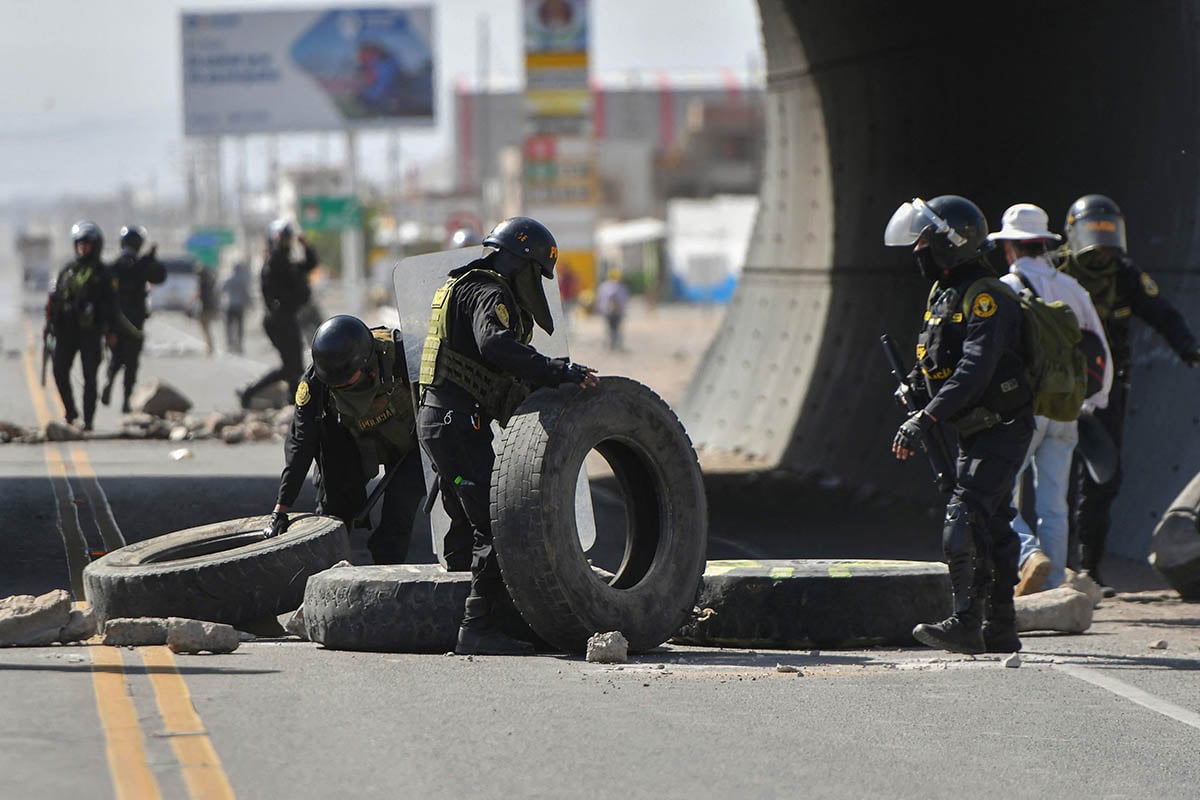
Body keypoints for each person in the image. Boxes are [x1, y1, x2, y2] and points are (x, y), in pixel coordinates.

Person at [417, 216, 598, 655]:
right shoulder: (489, 291)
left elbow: (484, 368)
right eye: (535, 273)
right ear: (521, 261)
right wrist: (558, 370)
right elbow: (494, 345)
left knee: (465, 524)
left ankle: (468, 617)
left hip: (445, 421)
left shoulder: (463, 285)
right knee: (496, 524)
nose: (534, 284)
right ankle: (476, 627)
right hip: (457, 426)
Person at [884, 195, 1035, 654]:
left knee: (963, 515)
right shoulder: (944, 293)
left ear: (952, 244)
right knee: (993, 522)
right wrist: (913, 387)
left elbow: (974, 370)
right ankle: (1002, 627)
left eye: (926, 242)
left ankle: (967, 622)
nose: (917, 252)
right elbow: (932, 356)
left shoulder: (988, 297)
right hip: (973, 427)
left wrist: (924, 419)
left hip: (1002, 424)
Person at [1058, 195, 1200, 595]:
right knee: (1047, 477)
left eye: (1108, 236)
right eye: (1093, 235)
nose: (1100, 247)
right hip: (1055, 389)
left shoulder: (1124, 275)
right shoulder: (1057, 272)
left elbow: (1162, 313)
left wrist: (1187, 348)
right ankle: (1038, 565)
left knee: (1103, 479)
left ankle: (1088, 568)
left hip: (1105, 390)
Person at [989, 204, 1112, 596]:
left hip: (1027, 408)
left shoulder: (1007, 287)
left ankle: (1029, 556)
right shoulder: (1073, 289)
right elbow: (1100, 350)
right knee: (1054, 503)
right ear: (1044, 244)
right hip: (1068, 409)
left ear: (1010, 247)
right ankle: (1056, 584)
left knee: (996, 494)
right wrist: (1094, 401)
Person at [262, 315, 426, 564]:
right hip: (353, 443)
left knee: (400, 510)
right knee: (334, 510)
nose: (339, 386)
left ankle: (387, 570)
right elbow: (301, 444)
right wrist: (281, 508)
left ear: (366, 363)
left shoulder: (403, 355)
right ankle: (328, 568)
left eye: (346, 380)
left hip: (407, 442)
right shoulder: (316, 383)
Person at [239, 220, 319, 408]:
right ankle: (251, 392)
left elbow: (310, 264)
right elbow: (283, 282)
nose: (287, 242)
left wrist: (305, 245)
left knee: (292, 367)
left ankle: (294, 403)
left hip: (287, 317)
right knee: (292, 367)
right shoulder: (275, 260)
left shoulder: (286, 260)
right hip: (279, 319)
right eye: (284, 238)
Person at [46, 221, 117, 431]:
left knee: (90, 378)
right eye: (80, 244)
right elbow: (57, 298)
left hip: (91, 332)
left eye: (88, 244)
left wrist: (111, 331)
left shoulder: (103, 273)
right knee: (59, 371)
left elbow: (112, 305)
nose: (83, 248)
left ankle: (88, 420)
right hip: (66, 331)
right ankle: (70, 412)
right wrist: (51, 324)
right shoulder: (68, 270)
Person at [102, 224, 165, 413]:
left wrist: (150, 260)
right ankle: (125, 399)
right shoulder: (137, 265)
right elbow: (157, 276)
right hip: (133, 323)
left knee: (117, 360)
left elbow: (159, 276)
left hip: (119, 323)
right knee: (130, 364)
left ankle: (110, 384)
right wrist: (149, 259)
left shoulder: (117, 265)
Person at [594, 268, 630, 351]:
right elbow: (624, 299)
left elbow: (600, 299)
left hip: (608, 311)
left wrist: (599, 308)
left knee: (610, 328)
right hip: (616, 311)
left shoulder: (604, 286)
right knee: (615, 328)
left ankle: (612, 344)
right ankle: (615, 344)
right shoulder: (620, 287)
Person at [222, 262, 252, 355]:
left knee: (229, 327)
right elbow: (246, 294)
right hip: (240, 307)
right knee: (240, 327)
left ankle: (230, 344)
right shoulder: (242, 281)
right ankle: (239, 344)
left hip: (231, 305)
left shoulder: (230, 280)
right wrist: (250, 304)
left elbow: (223, 290)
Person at [193, 263, 219, 357]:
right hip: (210, 307)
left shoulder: (202, 282)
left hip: (205, 308)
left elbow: (198, 294)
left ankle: (210, 348)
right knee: (207, 328)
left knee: (205, 328)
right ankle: (209, 347)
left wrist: (190, 303)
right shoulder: (210, 281)